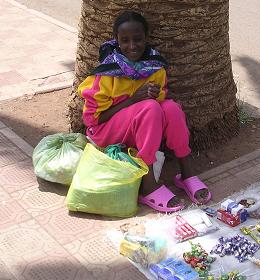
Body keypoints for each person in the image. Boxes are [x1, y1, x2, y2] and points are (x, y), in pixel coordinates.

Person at [77, 10, 211, 213]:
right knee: (149, 107)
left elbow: (159, 104)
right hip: (106, 131)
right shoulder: (107, 73)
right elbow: (93, 120)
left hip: (140, 126)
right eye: (125, 41)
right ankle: (148, 183)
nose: (132, 46)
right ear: (117, 41)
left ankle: (186, 173)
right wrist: (134, 99)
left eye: (138, 39)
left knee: (172, 108)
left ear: (146, 38)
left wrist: (150, 98)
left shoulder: (155, 67)